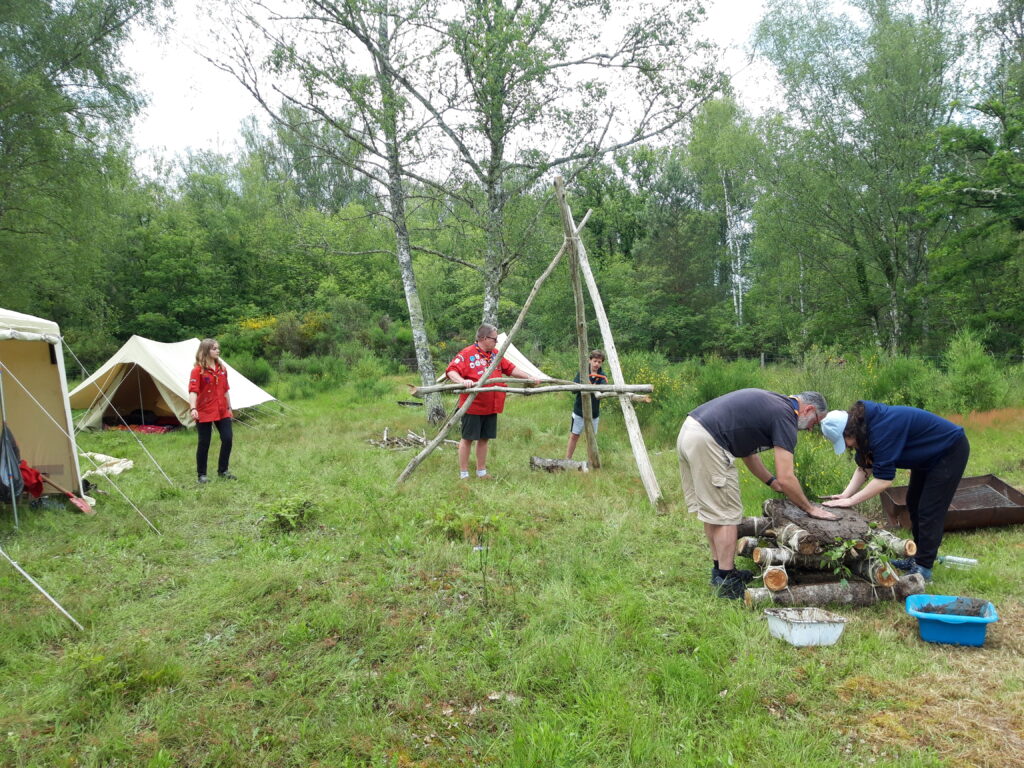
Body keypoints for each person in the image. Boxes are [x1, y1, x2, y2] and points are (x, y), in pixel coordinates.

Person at [677, 389, 837, 599]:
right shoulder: (786, 417)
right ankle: (726, 582)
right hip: (707, 441)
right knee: (727, 515)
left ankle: (720, 571)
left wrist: (771, 481)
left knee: (714, 511)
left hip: (691, 431)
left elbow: (747, 452)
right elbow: (787, 476)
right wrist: (810, 508)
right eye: (815, 422)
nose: (811, 428)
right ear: (808, 409)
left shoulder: (775, 405)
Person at [820, 401, 970, 582]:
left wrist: (851, 501)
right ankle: (917, 558)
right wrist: (845, 495)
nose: (848, 446)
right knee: (914, 503)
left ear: (850, 431)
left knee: (929, 510)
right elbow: (865, 467)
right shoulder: (864, 430)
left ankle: (923, 569)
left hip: (948, 450)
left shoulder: (882, 430)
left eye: (845, 441)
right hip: (926, 456)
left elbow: (883, 480)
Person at [446, 324, 538, 480]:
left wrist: (529, 377)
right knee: (468, 438)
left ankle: (481, 471)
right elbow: (451, 370)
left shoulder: (496, 354)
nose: (496, 342)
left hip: (491, 405)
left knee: (484, 439)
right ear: (483, 338)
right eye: (494, 339)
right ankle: (464, 473)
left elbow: (511, 369)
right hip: (473, 406)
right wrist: (463, 381)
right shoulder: (467, 353)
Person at [188, 338, 235, 484]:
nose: (218, 351)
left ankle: (223, 470)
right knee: (204, 442)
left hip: (222, 410)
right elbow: (193, 391)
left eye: (218, 348)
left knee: (227, 439)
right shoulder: (197, 371)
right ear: (206, 351)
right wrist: (193, 408)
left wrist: (229, 407)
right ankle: (201, 475)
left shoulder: (222, 369)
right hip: (205, 410)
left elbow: (225, 390)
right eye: (214, 348)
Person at [565, 349, 607, 460]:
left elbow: (603, 390)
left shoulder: (602, 376)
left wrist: (590, 385)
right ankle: (567, 460)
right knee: (574, 435)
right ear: (589, 360)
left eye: (599, 362)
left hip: (594, 413)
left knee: (591, 439)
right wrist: (583, 383)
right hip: (579, 411)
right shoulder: (582, 373)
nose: (597, 364)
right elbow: (573, 390)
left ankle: (591, 462)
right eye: (595, 361)